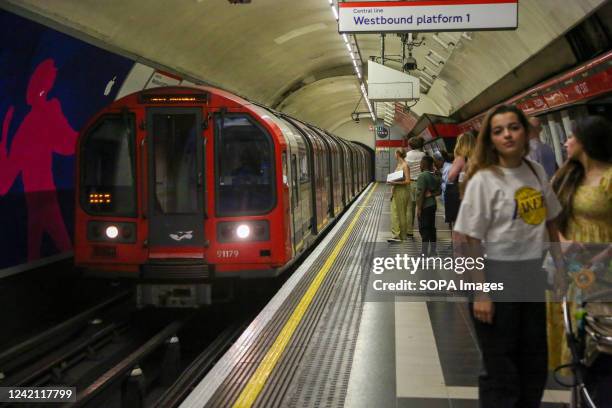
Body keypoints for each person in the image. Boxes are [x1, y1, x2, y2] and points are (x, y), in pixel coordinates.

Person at [453, 104, 566, 408]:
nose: (507, 135)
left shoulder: (536, 171)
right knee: (500, 369)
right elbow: (472, 238)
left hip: (530, 275)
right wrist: (481, 292)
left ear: (525, 132)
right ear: (490, 139)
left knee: (533, 364)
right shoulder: (483, 179)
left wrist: (561, 267)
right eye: (498, 130)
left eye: (513, 127)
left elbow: (551, 221)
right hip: (494, 274)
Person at [547, 115, 612, 406]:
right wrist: (561, 243)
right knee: (574, 340)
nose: (565, 141)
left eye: (571, 137)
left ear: (585, 141)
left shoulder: (609, 178)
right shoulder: (565, 176)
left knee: (600, 346)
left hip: (604, 269)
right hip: (572, 269)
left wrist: (600, 256)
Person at [444, 131, 476, 228]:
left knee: (459, 226)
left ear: (459, 143)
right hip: (473, 192)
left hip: (460, 194)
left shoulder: (460, 159)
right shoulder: (477, 158)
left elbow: (451, 177)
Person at [415, 155, 439, 256]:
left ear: (423, 164)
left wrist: (419, 208)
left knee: (424, 229)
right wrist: (432, 194)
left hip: (425, 205)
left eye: (421, 163)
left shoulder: (422, 176)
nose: (419, 164)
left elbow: (421, 194)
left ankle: (424, 252)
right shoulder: (434, 175)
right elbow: (439, 191)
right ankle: (433, 251)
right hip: (432, 204)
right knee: (431, 228)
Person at [388, 148, 411, 243]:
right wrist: (392, 189)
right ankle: (397, 235)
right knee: (395, 213)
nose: (394, 155)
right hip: (397, 191)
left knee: (401, 214)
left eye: (395, 153)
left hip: (402, 191)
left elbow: (408, 181)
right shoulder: (399, 164)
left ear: (397, 154)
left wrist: (394, 182)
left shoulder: (405, 165)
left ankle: (401, 236)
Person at [405, 136, 426, 237]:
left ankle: (409, 231)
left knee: (410, 208)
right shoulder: (424, 155)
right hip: (422, 183)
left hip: (410, 183)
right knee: (422, 207)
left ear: (410, 145)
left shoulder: (406, 155)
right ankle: (423, 229)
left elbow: (404, 171)